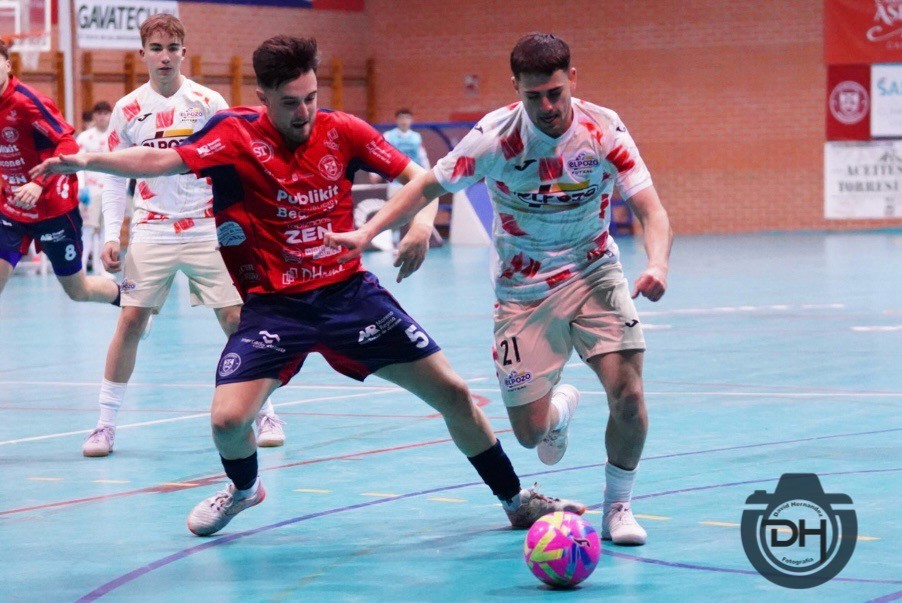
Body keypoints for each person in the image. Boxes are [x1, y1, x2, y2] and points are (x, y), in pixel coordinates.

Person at [32, 34, 584, 537]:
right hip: (275, 309)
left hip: (349, 297)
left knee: (455, 395)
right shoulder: (233, 135)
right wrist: (88, 160)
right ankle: (245, 490)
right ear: (263, 97)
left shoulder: (342, 130)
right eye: (291, 102)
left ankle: (515, 500)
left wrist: (419, 225)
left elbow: (422, 179)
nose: (304, 112)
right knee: (227, 421)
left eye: (312, 98)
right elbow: (159, 160)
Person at [324, 33, 673, 546]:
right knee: (530, 435)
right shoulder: (493, 138)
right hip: (522, 290)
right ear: (516, 88)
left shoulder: (603, 128)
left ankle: (618, 506)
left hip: (594, 272)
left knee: (629, 394)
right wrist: (368, 231)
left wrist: (657, 263)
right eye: (534, 96)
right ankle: (559, 410)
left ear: (573, 80)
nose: (548, 106)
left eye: (555, 93)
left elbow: (651, 209)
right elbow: (426, 186)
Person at [78, 14, 285, 458]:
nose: (165, 57)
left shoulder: (209, 102)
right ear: (142, 55)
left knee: (237, 319)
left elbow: (234, 164)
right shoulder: (127, 109)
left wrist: (246, 224)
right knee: (131, 320)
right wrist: (112, 234)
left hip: (207, 227)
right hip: (151, 228)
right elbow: (114, 177)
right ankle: (104, 425)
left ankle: (266, 413)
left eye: (172, 48)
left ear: (183, 53)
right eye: (156, 49)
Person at [0, 39, 119, 304]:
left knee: (78, 291)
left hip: (52, 208)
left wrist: (39, 182)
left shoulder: (28, 103)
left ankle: (131, 299)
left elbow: (67, 143)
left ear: (7, 65)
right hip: (11, 209)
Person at [76, 101, 113, 274]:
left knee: (107, 231)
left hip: (110, 191)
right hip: (91, 192)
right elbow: (78, 164)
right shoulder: (85, 138)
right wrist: (81, 187)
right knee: (88, 229)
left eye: (105, 113)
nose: (102, 117)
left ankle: (103, 270)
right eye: (99, 113)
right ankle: (81, 269)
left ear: (110, 115)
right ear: (94, 116)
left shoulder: (116, 136)